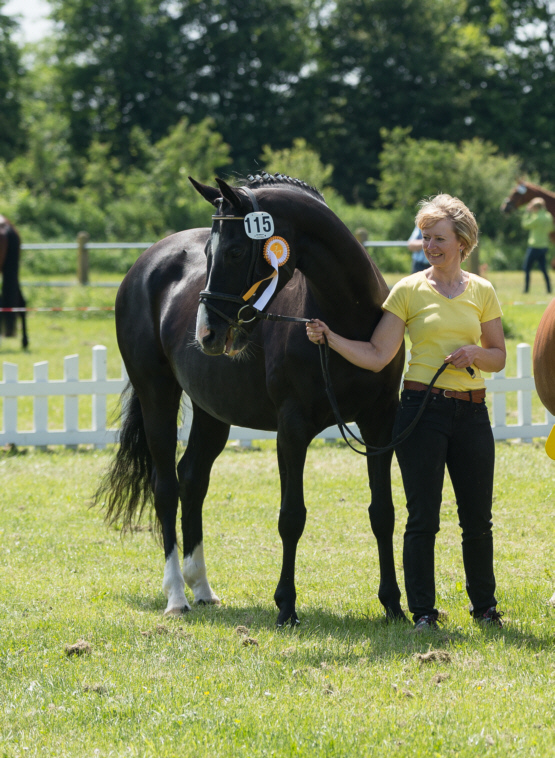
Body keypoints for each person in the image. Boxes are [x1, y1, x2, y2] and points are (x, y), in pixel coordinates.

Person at [307, 194, 506, 631]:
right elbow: (378, 354)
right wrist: (331, 338)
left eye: (438, 239)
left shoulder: (482, 291)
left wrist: (475, 353)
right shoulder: (408, 290)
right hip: (422, 413)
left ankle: (485, 608)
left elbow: (498, 357)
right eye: (426, 238)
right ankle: (424, 613)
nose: (429, 246)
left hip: (473, 415)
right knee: (423, 519)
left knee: (477, 519)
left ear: (462, 242)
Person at [520, 197, 553, 294]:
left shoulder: (537, 218)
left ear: (536, 207)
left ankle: (526, 289)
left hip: (534, 246)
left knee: (527, 268)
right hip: (544, 246)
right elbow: (551, 228)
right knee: (544, 269)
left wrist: (527, 213)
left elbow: (525, 225)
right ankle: (549, 289)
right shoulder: (548, 216)